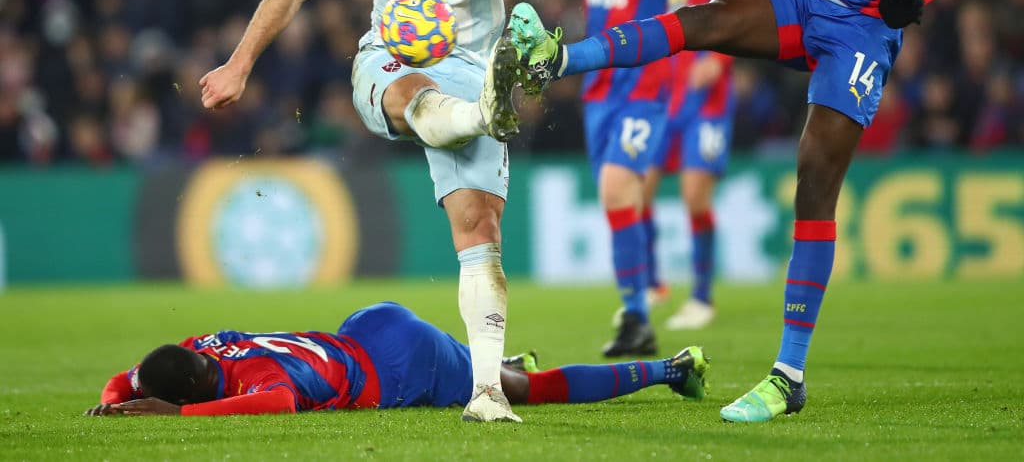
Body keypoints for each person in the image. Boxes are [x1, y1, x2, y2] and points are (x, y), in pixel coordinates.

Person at [500, 0, 956, 422]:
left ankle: (788, 373)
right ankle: (556, 57)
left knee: (814, 175)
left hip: (862, 27)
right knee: (701, 19)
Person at [198, 0, 581, 423]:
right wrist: (239, 64)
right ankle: (485, 112)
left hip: (473, 74)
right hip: (392, 63)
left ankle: (486, 394)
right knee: (414, 92)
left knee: (480, 229)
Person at [555, 0, 749, 358]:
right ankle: (638, 311)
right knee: (618, 198)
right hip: (598, 88)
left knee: (632, 186)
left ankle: (674, 300)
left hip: (646, 84)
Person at [83, 301, 710, 416]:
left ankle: (671, 369)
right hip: (366, 326)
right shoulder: (199, 348)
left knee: (526, 389)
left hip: (400, 367)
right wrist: (118, 397)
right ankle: (492, 358)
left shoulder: (259, 381)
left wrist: (172, 416)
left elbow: (276, 402)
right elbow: (128, 377)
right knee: (489, 366)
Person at [642, 0, 747, 331]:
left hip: (705, 99)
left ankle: (702, 296)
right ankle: (652, 283)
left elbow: (743, 20)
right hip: (658, 97)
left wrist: (719, 61)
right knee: (637, 187)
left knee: (694, 196)